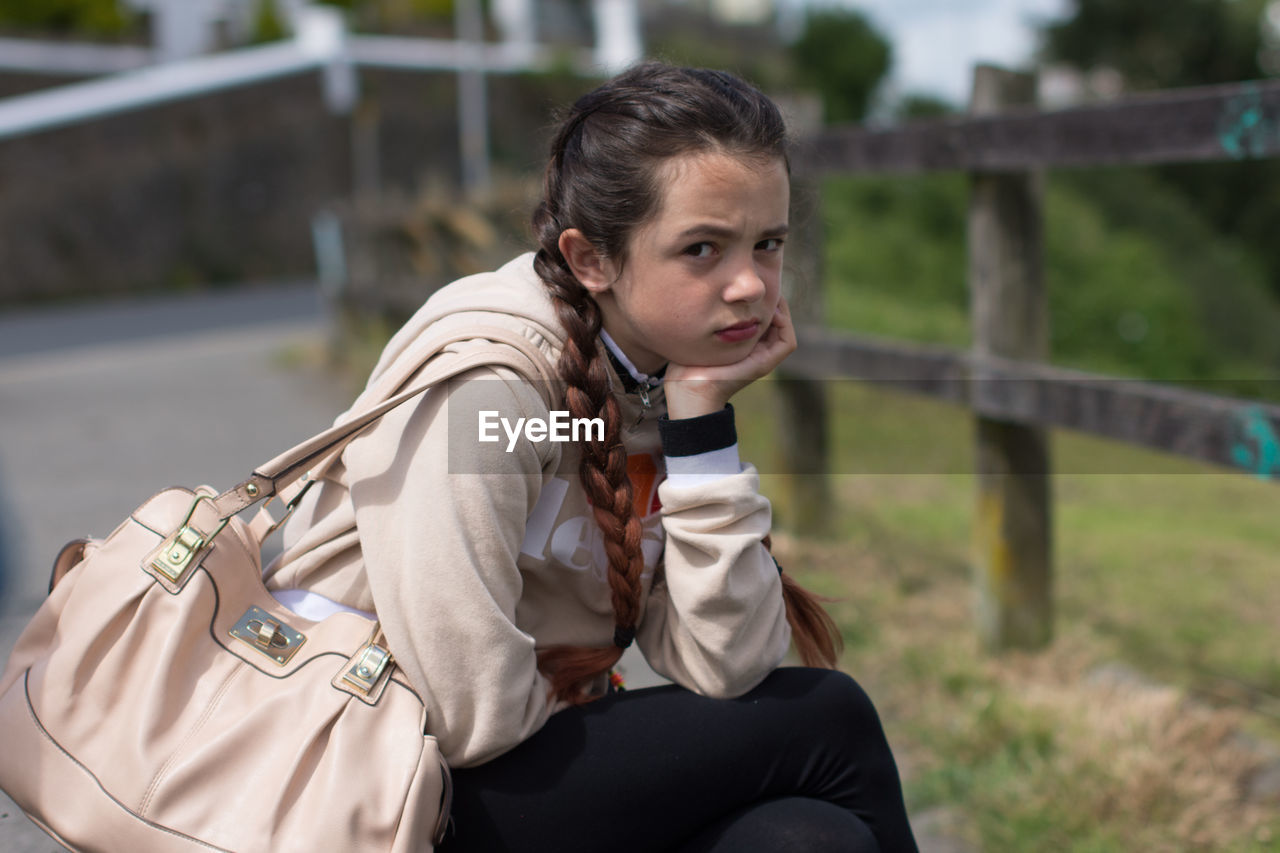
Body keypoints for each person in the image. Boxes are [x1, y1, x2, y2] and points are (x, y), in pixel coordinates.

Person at [265, 62, 918, 852]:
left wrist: (700, 421)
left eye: (768, 243)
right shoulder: (490, 392)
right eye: (703, 249)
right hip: (375, 791)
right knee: (828, 717)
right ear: (591, 259)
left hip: (501, 776)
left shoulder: (650, 381)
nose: (750, 284)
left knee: (806, 838)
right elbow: (469, 712)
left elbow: (728, 663)